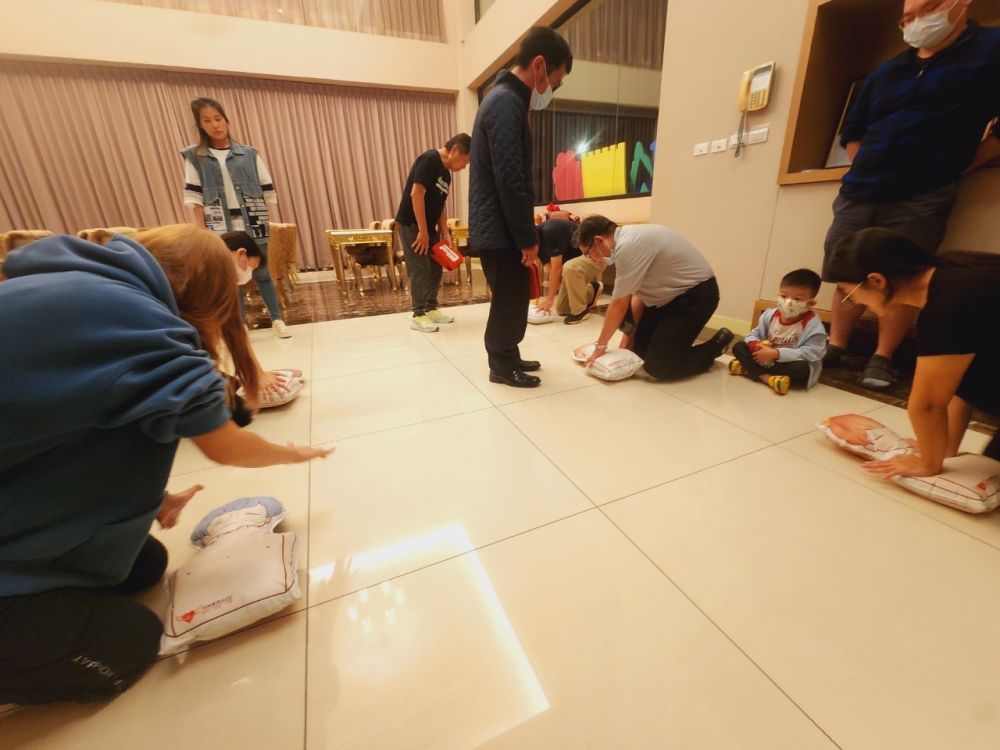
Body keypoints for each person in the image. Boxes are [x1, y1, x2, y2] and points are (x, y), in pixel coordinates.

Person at [0, 225, 331, 705]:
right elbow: (227, 448)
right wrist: (291, 453)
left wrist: (147, 496)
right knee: (131, 641)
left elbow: (62, 421)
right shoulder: (146, 330)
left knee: (142, 564)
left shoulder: (73, 284)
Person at [822, 0, 1000, 390]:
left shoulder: (990, 50)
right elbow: (852, 131)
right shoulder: (887, 71)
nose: (915, 22)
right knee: (845, 269)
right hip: (861, 189)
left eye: (926, 10)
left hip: (923, 193)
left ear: (959, 5)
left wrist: (960, 165)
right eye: (907, 17)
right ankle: (835, 345)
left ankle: (883, 357)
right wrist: (866, 166)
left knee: (904, 277)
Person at [825, 227, 1000, 478]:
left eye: (849, 293)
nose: (856, 302)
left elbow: (927, 404)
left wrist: (928, 463)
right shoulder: (953, 273)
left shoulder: (947, 306)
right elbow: (957, 383)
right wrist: (942, 449)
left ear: (876, 281)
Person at [470, 26, 573, 388]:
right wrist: (527, 237)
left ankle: (509, 355)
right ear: (539, 65)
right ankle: (501, 366)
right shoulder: (505, 102)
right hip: (500, 228)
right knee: (509, 299)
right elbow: (510, 179)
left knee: (512, 297)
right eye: (555, 81)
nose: (552, 89)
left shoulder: (505, 99)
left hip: (498, 225)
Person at [182, 96, 291, 339]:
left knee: (262, 272)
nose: (215, 125)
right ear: (200, 125)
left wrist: (264, 222)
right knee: (231, 277)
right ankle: (240, 326)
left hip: (252, 221)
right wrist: (203, 232)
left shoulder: (249, 154)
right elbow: (195, 198)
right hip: (220, 225)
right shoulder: (194, 156)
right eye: (207, 121)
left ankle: (277, 319)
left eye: (218, 118)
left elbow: (265, 189)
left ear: (226, 120)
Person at [574, 216, 734, 380]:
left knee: (658, 367)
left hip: (695, 297)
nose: (592, 259)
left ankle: (716, 345)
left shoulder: (629, 245)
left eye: (588, 253)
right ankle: (675, 347)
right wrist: (629, 335)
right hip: (665, 300)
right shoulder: (626, 240)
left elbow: (619, 303)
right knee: (638, 354)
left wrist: (600, 346)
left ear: (599, 241)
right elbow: (638, 294)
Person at [395, 134, 471, 333]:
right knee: (420, 268)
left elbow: (440, 205)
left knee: (435, 267)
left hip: (428, 227)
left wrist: (445, 233)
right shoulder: (429, 159)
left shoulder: (446, 175)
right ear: (455, 150)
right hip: (412, 224)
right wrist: (422, 230)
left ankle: (430, 307)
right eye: (465, 161)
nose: (464, 166)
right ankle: (418, 314)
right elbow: (416, 194)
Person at [729, 269, 828, 395]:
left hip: (785, 362)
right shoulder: (769, 315)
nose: (788, 302)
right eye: (784, 296)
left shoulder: (813, 326)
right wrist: (755, 344)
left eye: (797, 299)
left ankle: (749, 368)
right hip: (764, 358)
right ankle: (768, 379)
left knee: (801, 369)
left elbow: (814, 353)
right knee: (739, 346)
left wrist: (776, 353)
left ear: (810, 303)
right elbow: (754, 334)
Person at [533, 217, 603, 324]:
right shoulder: (536, 244)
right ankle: (591, 289)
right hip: (574, 265)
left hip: (596, 256)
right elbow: (551, 269)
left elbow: (556, 268)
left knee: (570, 267)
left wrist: (549, 299)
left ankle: (581, 312)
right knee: (562, 309)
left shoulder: (550, 232)